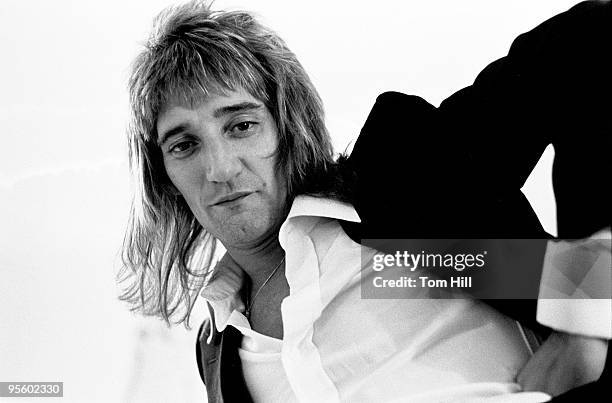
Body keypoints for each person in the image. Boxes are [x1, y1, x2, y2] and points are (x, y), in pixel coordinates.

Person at [120, 1, 610, 401]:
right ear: (164, 177)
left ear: (291, 126)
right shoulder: (222, 350)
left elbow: (592, 42)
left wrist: (584, 334)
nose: (220, 169)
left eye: (241, 125)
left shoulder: (393, 202)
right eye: (184, 145)